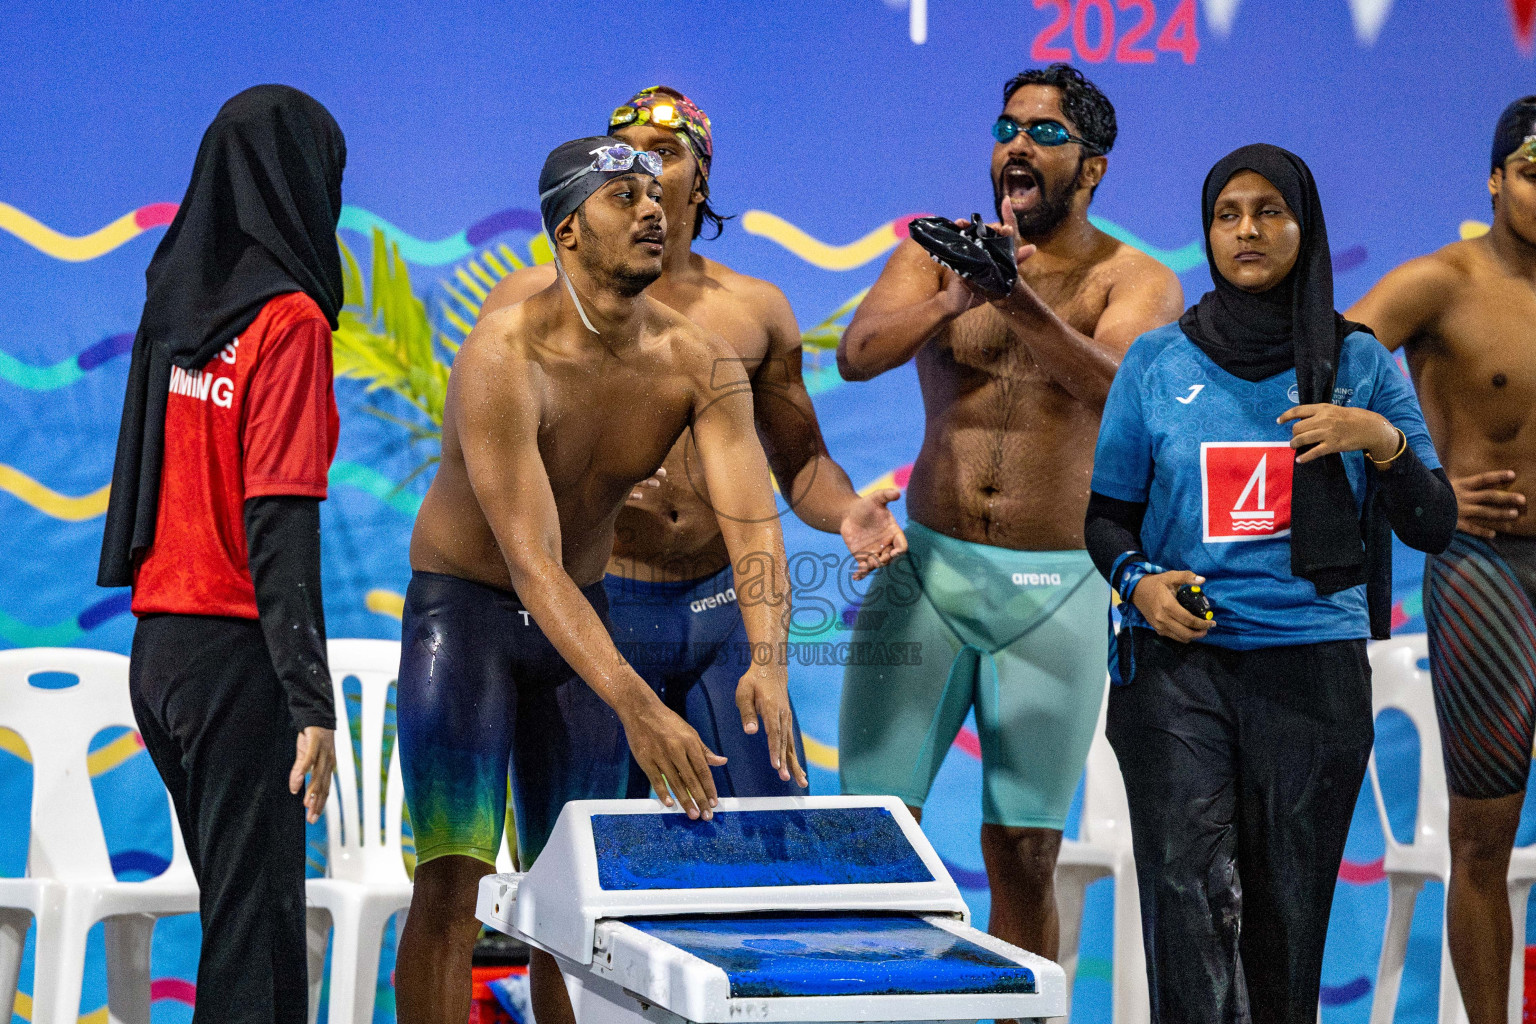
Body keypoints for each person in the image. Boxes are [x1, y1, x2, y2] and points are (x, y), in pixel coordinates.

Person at [393, 136, 805, 1024]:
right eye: (625, 196)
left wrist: (768, 661)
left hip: (576, 615)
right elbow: (529, 562)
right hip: (468, 615)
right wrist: (637, 701)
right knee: (451, 881)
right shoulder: (507, 352)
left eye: (656, 194)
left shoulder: (695, 359)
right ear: (569, 229)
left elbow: (755, 518)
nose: (654, 209)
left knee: (574, 892)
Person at [1085, 143, 1457, 1023]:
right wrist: (1139, 584)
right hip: (1180, 672)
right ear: (1208, 232)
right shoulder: (1155, 361)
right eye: (1227, 214)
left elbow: (1432, 523)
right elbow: (1106, 519)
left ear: (1304, 225)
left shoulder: (1360, 362)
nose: (1247, 230)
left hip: (1312, 670)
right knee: (1190, 902)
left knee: (1288, 919)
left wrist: (1382, 439)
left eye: (1269, 211)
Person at [834, 63, 1183, 962]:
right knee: (872, 836)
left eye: (1046, 132)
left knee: (1025, 857)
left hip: (1053, 589)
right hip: (929, 575)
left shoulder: (1136, 279)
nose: (1017, 145)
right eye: (1007, 128)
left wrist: (1013, 299)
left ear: (1093, 167)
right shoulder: (931, 248)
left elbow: (1116, 389)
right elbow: (857, 354)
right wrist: (955, 295)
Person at [477, 86, 905, 800]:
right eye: (624, 157)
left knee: (774, 859)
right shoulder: (529, 306)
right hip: (601, 602)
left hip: (720, 611)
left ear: (700, 180)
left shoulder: (754, 312)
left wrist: (845, 514)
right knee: (582, 864)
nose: (641, 169)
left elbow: (800, 463)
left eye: (664, 153)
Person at [98, 85, 345, 1024]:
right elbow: (279, 517)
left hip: (161, 657)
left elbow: (141, 492)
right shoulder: (289, 323)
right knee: (253, 942)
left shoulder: (177, 307)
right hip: (240, 657)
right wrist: (309, 696)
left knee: (256, 930)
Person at [1345, 95, 1536, 1023]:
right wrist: (1418, 483)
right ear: (1496, 179)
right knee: (1484, 834)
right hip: (1487, 573)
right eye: (1533, 174)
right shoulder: (1441, 284)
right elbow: (1322, 374)